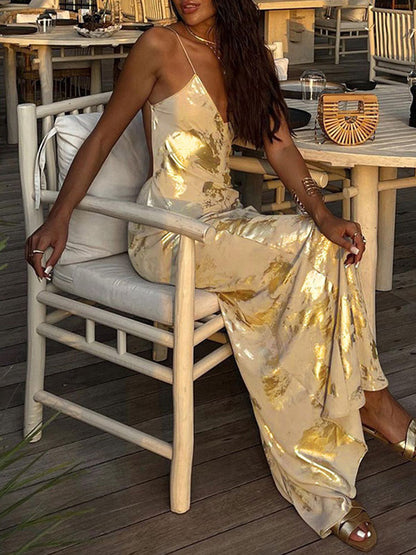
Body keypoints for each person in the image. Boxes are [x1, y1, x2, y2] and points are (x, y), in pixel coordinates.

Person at [25, 0, 415, 550]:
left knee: (325, 246)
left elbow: (279, 143)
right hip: (166, 232)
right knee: (311, 250)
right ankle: (367, 410)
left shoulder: (243, 54)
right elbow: (104, 136)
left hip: (224, 223)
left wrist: (323, 213)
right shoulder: (158, 45)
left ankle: (358, 415)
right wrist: (60, 216)